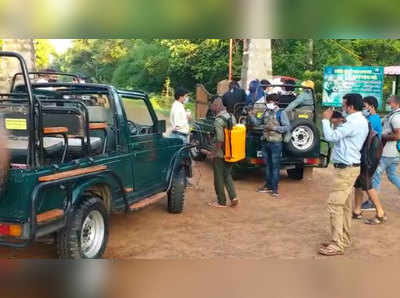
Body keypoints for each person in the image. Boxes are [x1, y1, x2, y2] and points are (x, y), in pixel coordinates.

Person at [319, 93, 369, 256]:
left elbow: (331, 137)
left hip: (346, 170)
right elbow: (341, 138)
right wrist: (335, 123)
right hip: (348, 168)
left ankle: (337, 243)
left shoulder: (354, 122)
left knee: (334, 205)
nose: (342, 108)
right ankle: (343, 238)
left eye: (343, 105)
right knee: (345, 207)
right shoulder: (356, 121)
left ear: (350, 106)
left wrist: (326, 120)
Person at [363, 95, 400, 225]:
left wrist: (383, 136)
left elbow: (398, 135)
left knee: (375, 176)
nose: (388, 103)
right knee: (392, 175)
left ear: (395, 103)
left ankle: (372, 203)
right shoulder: (392, 114)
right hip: (392, 153)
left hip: (388, 152)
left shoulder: (396, 117)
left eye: (390, 102)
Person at [205, 97, 239, 208]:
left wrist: (214, 153)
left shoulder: (218, 120)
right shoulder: (232, 116)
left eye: (213, 105)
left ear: (217, 105)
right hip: (231, 152)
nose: (211, 108)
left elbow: (220, 139)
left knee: (218, 178)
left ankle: (221, 201)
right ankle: (233, 197)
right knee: (227, 175)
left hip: (220, 153)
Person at [256, 94, 291, 198]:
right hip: (266, 141)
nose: (268, 104)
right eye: (268, 102)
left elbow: (287, 127)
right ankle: (268, 186)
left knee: (275, 167)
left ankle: (275, 189)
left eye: (270, 102)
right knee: (267, 165)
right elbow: (259, 122)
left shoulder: (281, 113)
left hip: (276, 143)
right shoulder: (266, 112)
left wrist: (274, 128)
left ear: (276, 102)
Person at [355, 96, 382, 212]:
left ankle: (380, 212)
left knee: (365, 183)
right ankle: (357, 210)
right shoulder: (370, 118)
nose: (363, 108)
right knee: (358, 184)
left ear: (371, 106)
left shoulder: (373, 120)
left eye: (365, 105)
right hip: (366, 154)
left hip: (370, 155)